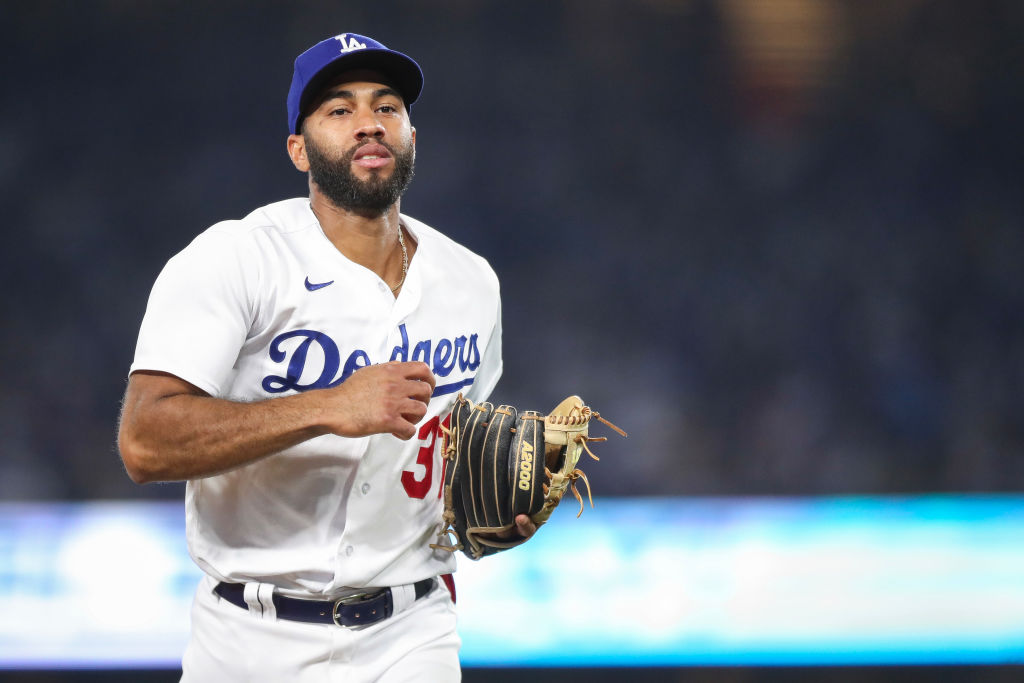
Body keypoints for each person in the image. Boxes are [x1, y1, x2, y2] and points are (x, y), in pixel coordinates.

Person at [117, 32, 534, 682]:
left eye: (387, 106)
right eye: (339, 110)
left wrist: (498, 502)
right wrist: (330, 407)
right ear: (298, 148)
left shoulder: (472, 282)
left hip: (411, 632)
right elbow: (144, 442)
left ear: (412, 136)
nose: (368, 123)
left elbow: (456, 455)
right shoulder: (236, 259)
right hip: (248, 638)